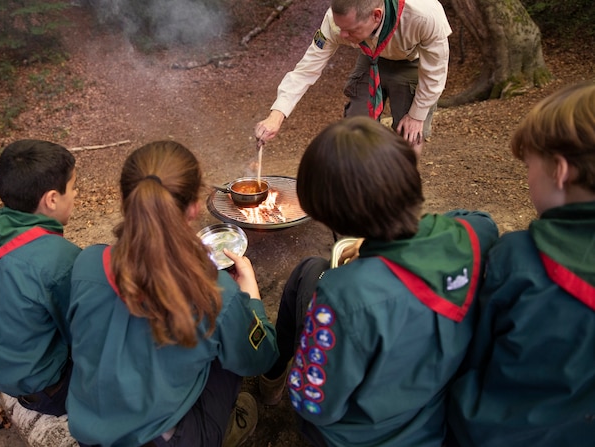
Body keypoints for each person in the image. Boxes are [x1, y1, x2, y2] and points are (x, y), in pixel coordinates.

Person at [258, 116, 498, 446]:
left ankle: (271, 378)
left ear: (331, 215)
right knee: (310, 270)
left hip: (366, 436)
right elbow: (471, 222)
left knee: (310, 272)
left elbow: (315, 404)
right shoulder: (474, 233)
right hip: (432, 413)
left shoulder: (342, 295)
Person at [66, 141, 279, 447]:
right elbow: (261, 358)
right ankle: (223, 428)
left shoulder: (87, 264)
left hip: (90, 427)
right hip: (170, 439)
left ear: (126, 200)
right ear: (194, 209)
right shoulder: (216, 296)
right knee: (229, 348)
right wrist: (251, 298)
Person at [446, 82, 595, 446]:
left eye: (529, 165)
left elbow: (472, 352)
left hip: (489, 431)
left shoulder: (519, 258)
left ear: (561, 171)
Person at [0, 139, 80, 416]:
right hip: (47, 391)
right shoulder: (59, 261)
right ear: (52, 199)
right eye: (73, 187)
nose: (76, 194)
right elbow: (84, 333)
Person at [255, 0, 451, 152]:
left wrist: (417, 116)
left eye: (350, 30)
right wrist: (276, 115)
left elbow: (435, 72)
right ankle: (358, 189)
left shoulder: (424, 17)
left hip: (412, 63)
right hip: (371, 58)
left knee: (409, 136)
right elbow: (306, 69)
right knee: (356, 128)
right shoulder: (334, 21)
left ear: (376, 15)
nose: (343, 35)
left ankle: (400, 193)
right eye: (341, 28)